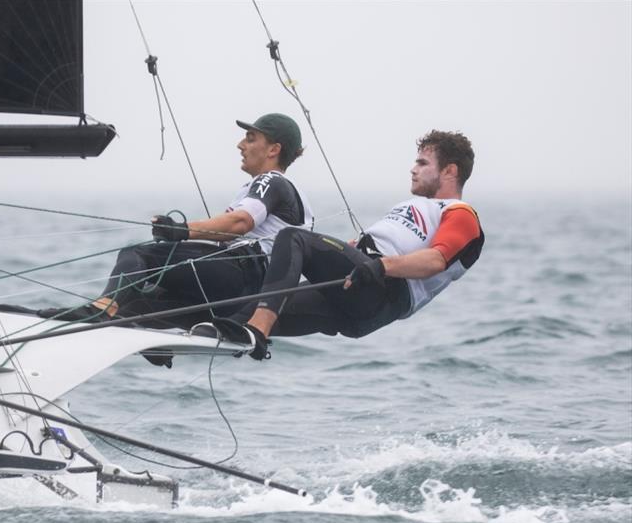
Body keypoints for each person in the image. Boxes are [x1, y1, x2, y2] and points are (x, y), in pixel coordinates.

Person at [0, 113, 314, 365]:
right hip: (247, 294)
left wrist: (182, 231)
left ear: (274, 149)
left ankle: (99, 309)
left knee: (140, 257)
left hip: (243, 277)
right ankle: (94, 327)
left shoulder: (271, 181)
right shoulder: (289, 193)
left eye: (250, 138)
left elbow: (241, 222)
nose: (240, 145)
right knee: (137, 305)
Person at [204, 130, 484, 360]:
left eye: (422, 163)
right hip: (354, 292)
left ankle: (258, 331)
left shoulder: (460, 212)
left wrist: (379, 265)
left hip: (383, 292)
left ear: (449, 171)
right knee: (245, 310)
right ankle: (186, 333)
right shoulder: (416, 205)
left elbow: (435, 261)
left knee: (293, 237)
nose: (413, 169)